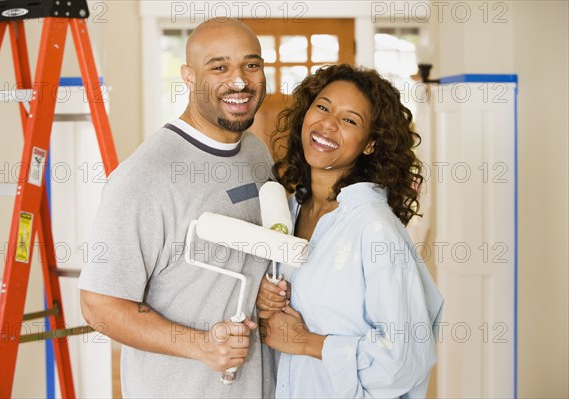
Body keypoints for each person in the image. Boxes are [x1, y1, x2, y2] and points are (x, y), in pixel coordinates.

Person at [79, 18, 276, 398]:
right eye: (219, 67)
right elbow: (99, 305)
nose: (239, 81)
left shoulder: (255, 151)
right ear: (188, 76)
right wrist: (200, 345)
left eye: (251, 65)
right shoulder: (144, 176)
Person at [256, 64, 444, 398]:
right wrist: (263, 299)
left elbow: (406, 360)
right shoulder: (291, 210)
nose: (328, 124)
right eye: (323, 107)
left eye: (349, 120)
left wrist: (305, 343)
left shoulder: (375, 230)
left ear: (370, 144)